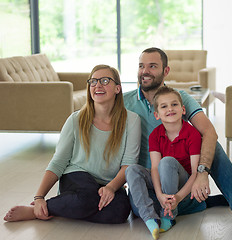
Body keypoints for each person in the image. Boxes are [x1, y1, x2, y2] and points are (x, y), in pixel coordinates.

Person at [124, 47, 232, 238]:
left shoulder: (180, 98)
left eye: (152, 66)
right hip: (150, 189)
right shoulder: (124, 102)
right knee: (140, 201)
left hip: (180, 182)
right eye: (141, 66)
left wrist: (202, 174)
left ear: (166, 71)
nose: (145, 71)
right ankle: (202, 203)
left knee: (212, 145)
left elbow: (209, 132)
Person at [4, 64, 141, 224]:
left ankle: (65, 208)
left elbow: (128, 164)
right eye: (93, 81)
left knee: (120, 212)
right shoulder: (76, 119)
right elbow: (59, 161)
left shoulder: (132, 120)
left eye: (104, 80)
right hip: (77, 176)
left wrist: (111, 187)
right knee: (86, 197)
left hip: (107, 183)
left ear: (117, 88)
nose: (97, 85)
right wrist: (39, 197)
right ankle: (40, 209)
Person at [147, 86, 203, 239]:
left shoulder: (192, 134)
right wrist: (159, 195)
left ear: (183, 109)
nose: (170, 109)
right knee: (136, 170)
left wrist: (177, 198)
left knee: (167, 162)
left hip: (185, 186)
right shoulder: (155, 135)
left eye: (174, 104)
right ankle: (158, 208)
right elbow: (154, 169)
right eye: (164, 106)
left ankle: (169, 216)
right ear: (157, 115)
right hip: (165, 186)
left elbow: (195, 172)